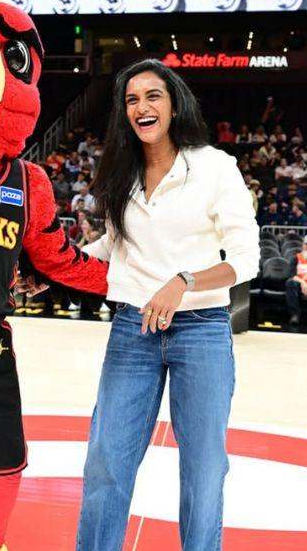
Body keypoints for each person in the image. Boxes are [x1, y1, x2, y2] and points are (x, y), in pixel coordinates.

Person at [67, 58, 259, 551]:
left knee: (204, 469)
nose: (141, 106)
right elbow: (111, 247)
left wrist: (185, 281)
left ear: (174, 105)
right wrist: (51, 272)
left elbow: (245, 259)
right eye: (131, 99)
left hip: (201, 328)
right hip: (133, 328)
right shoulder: (121, 171)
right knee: (106, 461)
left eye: (153, 95)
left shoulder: (214, 166)